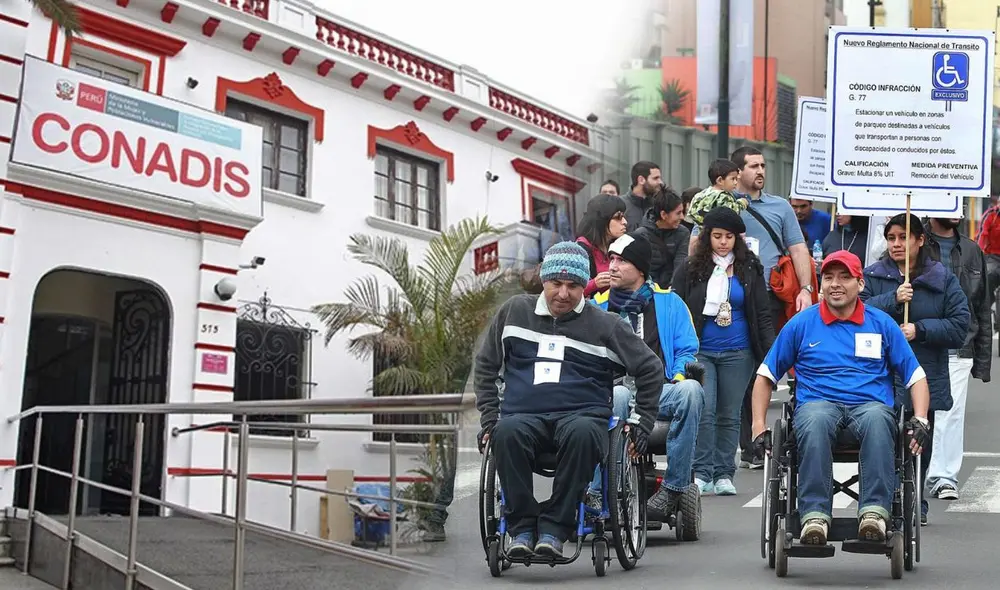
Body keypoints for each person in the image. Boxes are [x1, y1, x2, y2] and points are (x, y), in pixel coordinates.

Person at [474, 241, 664, 559]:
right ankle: (521, 528)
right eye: (556, 284)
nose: (563, 294)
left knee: (585, 434)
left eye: (573, 286)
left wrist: (641, 422)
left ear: (584, 287)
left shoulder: (606, 324)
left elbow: (650, 368)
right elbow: (485, 365)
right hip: (523, 415)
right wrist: (490, 418)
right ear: (544, 281)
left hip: (582, 414)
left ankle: (553, 529)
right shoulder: (514, 312)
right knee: (505, 433)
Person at [751, 250, 932, 545]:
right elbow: (765, 376)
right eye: (829, 277)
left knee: (877, 420)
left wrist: (921, 418)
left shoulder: (882, 324)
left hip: (870, 405)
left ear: (860, 284)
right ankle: (814, 516)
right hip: (818, 403)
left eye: (844, 277)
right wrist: (758, 426)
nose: (835, 284)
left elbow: (916, 377)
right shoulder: (801, 324)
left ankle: (874, 513)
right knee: (814, 421)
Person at [860, 213, 970, 525]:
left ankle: (914, 500)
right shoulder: (874, 275)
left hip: (922, 374)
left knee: (917, 440)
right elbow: (857, 314)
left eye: (903, 238)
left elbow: (960, 326)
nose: (896, 244)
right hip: (879, 375)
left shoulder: (941, 279)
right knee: (883, 439)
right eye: (891, 238)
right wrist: (892, 299)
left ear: (920, 241)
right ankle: (887, 500)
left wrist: (919, 330)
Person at [588, 234, 705, 519]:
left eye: (621, 261)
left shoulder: (670, 303)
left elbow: (687, 350)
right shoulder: (596, 307)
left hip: (659, 391)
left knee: (691, 390)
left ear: (641, 269)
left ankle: (673, 491)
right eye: (611, 260)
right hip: (611, 394)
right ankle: (598, 492)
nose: (612, 267)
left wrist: (678, 376)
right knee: (618, 394)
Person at [672, 208, 774, 496]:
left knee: (729, 414)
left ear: (737, 239)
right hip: (700, 351)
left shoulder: (750, 267)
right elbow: (675, 309)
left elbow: (763, 313)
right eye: (717, 236)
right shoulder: (691, 267)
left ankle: (724, 473)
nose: (723, 242)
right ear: (708, 237)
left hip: (739, 352)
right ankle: (702, 471)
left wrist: (770, 354)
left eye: (729, 237)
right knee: (704, 411)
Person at [731, 146, 815, 469]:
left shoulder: (780, 207)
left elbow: (798, 249)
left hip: (768, 297)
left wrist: (806, 289)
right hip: (733, 297)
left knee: (767, 365)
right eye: (753, 166)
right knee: (740, 368)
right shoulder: (725, 205)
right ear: (738, 172)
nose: (760, 171)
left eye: (763, 165)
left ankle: (770, 437)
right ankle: (749, 445)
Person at [920, 217, 993, 501]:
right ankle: (916, 472)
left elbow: (982, 305)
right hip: (922, 343)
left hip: (960, 345)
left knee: (951, 414)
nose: (957, 207)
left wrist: (982, 359)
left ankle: (943, 476)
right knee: (922, 413)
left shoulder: (972, 250)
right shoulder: (917, 242)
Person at [632, 186, 690, 288]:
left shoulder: (683, 233)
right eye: (678, 213)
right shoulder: (641, 235)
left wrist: (672, 292)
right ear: (663, 214)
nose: (682, 217)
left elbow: (680, 266)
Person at [575, 194, 629, 298]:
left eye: (623, 216)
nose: (625, 222)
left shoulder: (620, 245)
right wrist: (594, 284)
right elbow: (567, 292)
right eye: (618, 217)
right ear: (602, 220)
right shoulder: (581, 250)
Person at [977, 195, 1000, 338]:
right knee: (988, 275)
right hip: (992, 256)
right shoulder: (991, 215)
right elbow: (981, 236)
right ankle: (984, 306)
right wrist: (977, 257)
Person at [622, 161, 663, 231]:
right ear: (641, 180)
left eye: (660, 178)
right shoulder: (621, 205)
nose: (660, 182)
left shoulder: (660, 205)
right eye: (655, 178)